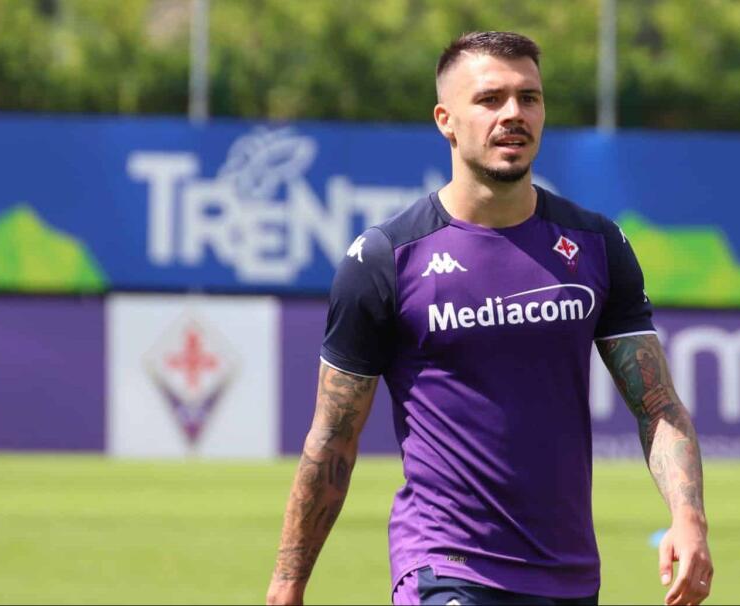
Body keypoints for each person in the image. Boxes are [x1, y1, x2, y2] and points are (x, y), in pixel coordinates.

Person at [266, 31, 712, 606]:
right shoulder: (384, 259)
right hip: (446, 567)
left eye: (529, 97)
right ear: (445, 120)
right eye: (490, 99)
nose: (514, 114)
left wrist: (689, 517)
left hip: (569, 576)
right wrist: (288, 583)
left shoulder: (597, 244)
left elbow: (658, 405)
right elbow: (332, 439)